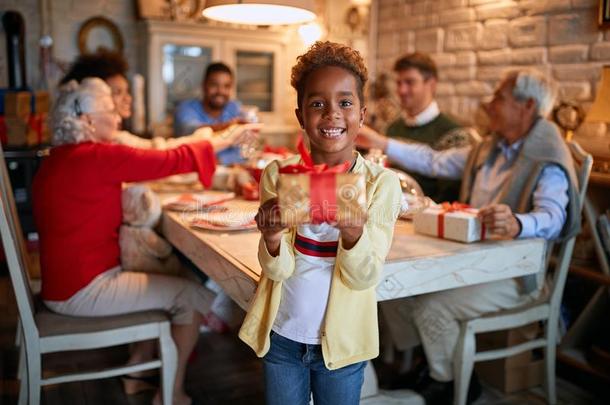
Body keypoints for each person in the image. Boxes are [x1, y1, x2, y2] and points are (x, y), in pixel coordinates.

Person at [356, 69, 581, 405]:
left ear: (527, 106)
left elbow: (554, 217)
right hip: (472, 260)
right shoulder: (490, 147)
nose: (489, 103)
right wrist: (379, 141)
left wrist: (518, 223)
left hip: (518, 275)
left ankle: (449, 384)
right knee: (396, 288)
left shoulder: (546, 156)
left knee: (431, 305)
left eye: (500, 97)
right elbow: (434, 160)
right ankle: (431, 365)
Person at [33, 78, 218, 405]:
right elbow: (171, 160)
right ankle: (170, 395)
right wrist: (217, 140)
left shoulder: (58, 158)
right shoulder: (95, 157)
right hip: (83, 290)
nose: (118, 119)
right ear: (88, 120)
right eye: (110, 111)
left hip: (62, 284)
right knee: (191, 294)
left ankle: (136, 372)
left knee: (165, 277)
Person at [238, 41, 402, 405]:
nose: (332, 115)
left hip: (342, 346)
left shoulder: (379, 185)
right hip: (282, 336)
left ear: (362, 113)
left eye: (345, 103)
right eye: (317, 104)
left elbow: (363, 277)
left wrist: (354, 232)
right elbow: (275, 271)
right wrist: (272, 238)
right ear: (300, 116)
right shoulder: (279, 174)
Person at [60, 51, 259, 153]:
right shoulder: (100, 150)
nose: (128, 98)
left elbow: (157, 149)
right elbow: (164, 154)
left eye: (127, 91)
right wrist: (229, 132)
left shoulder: (114, 139)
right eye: (117, 92)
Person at [361, 52, 475, 203]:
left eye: (410, 82)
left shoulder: (454, 134)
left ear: (431, 84)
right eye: (399, 83)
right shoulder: (392, 128)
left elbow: (450, 199)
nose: (402, 90)